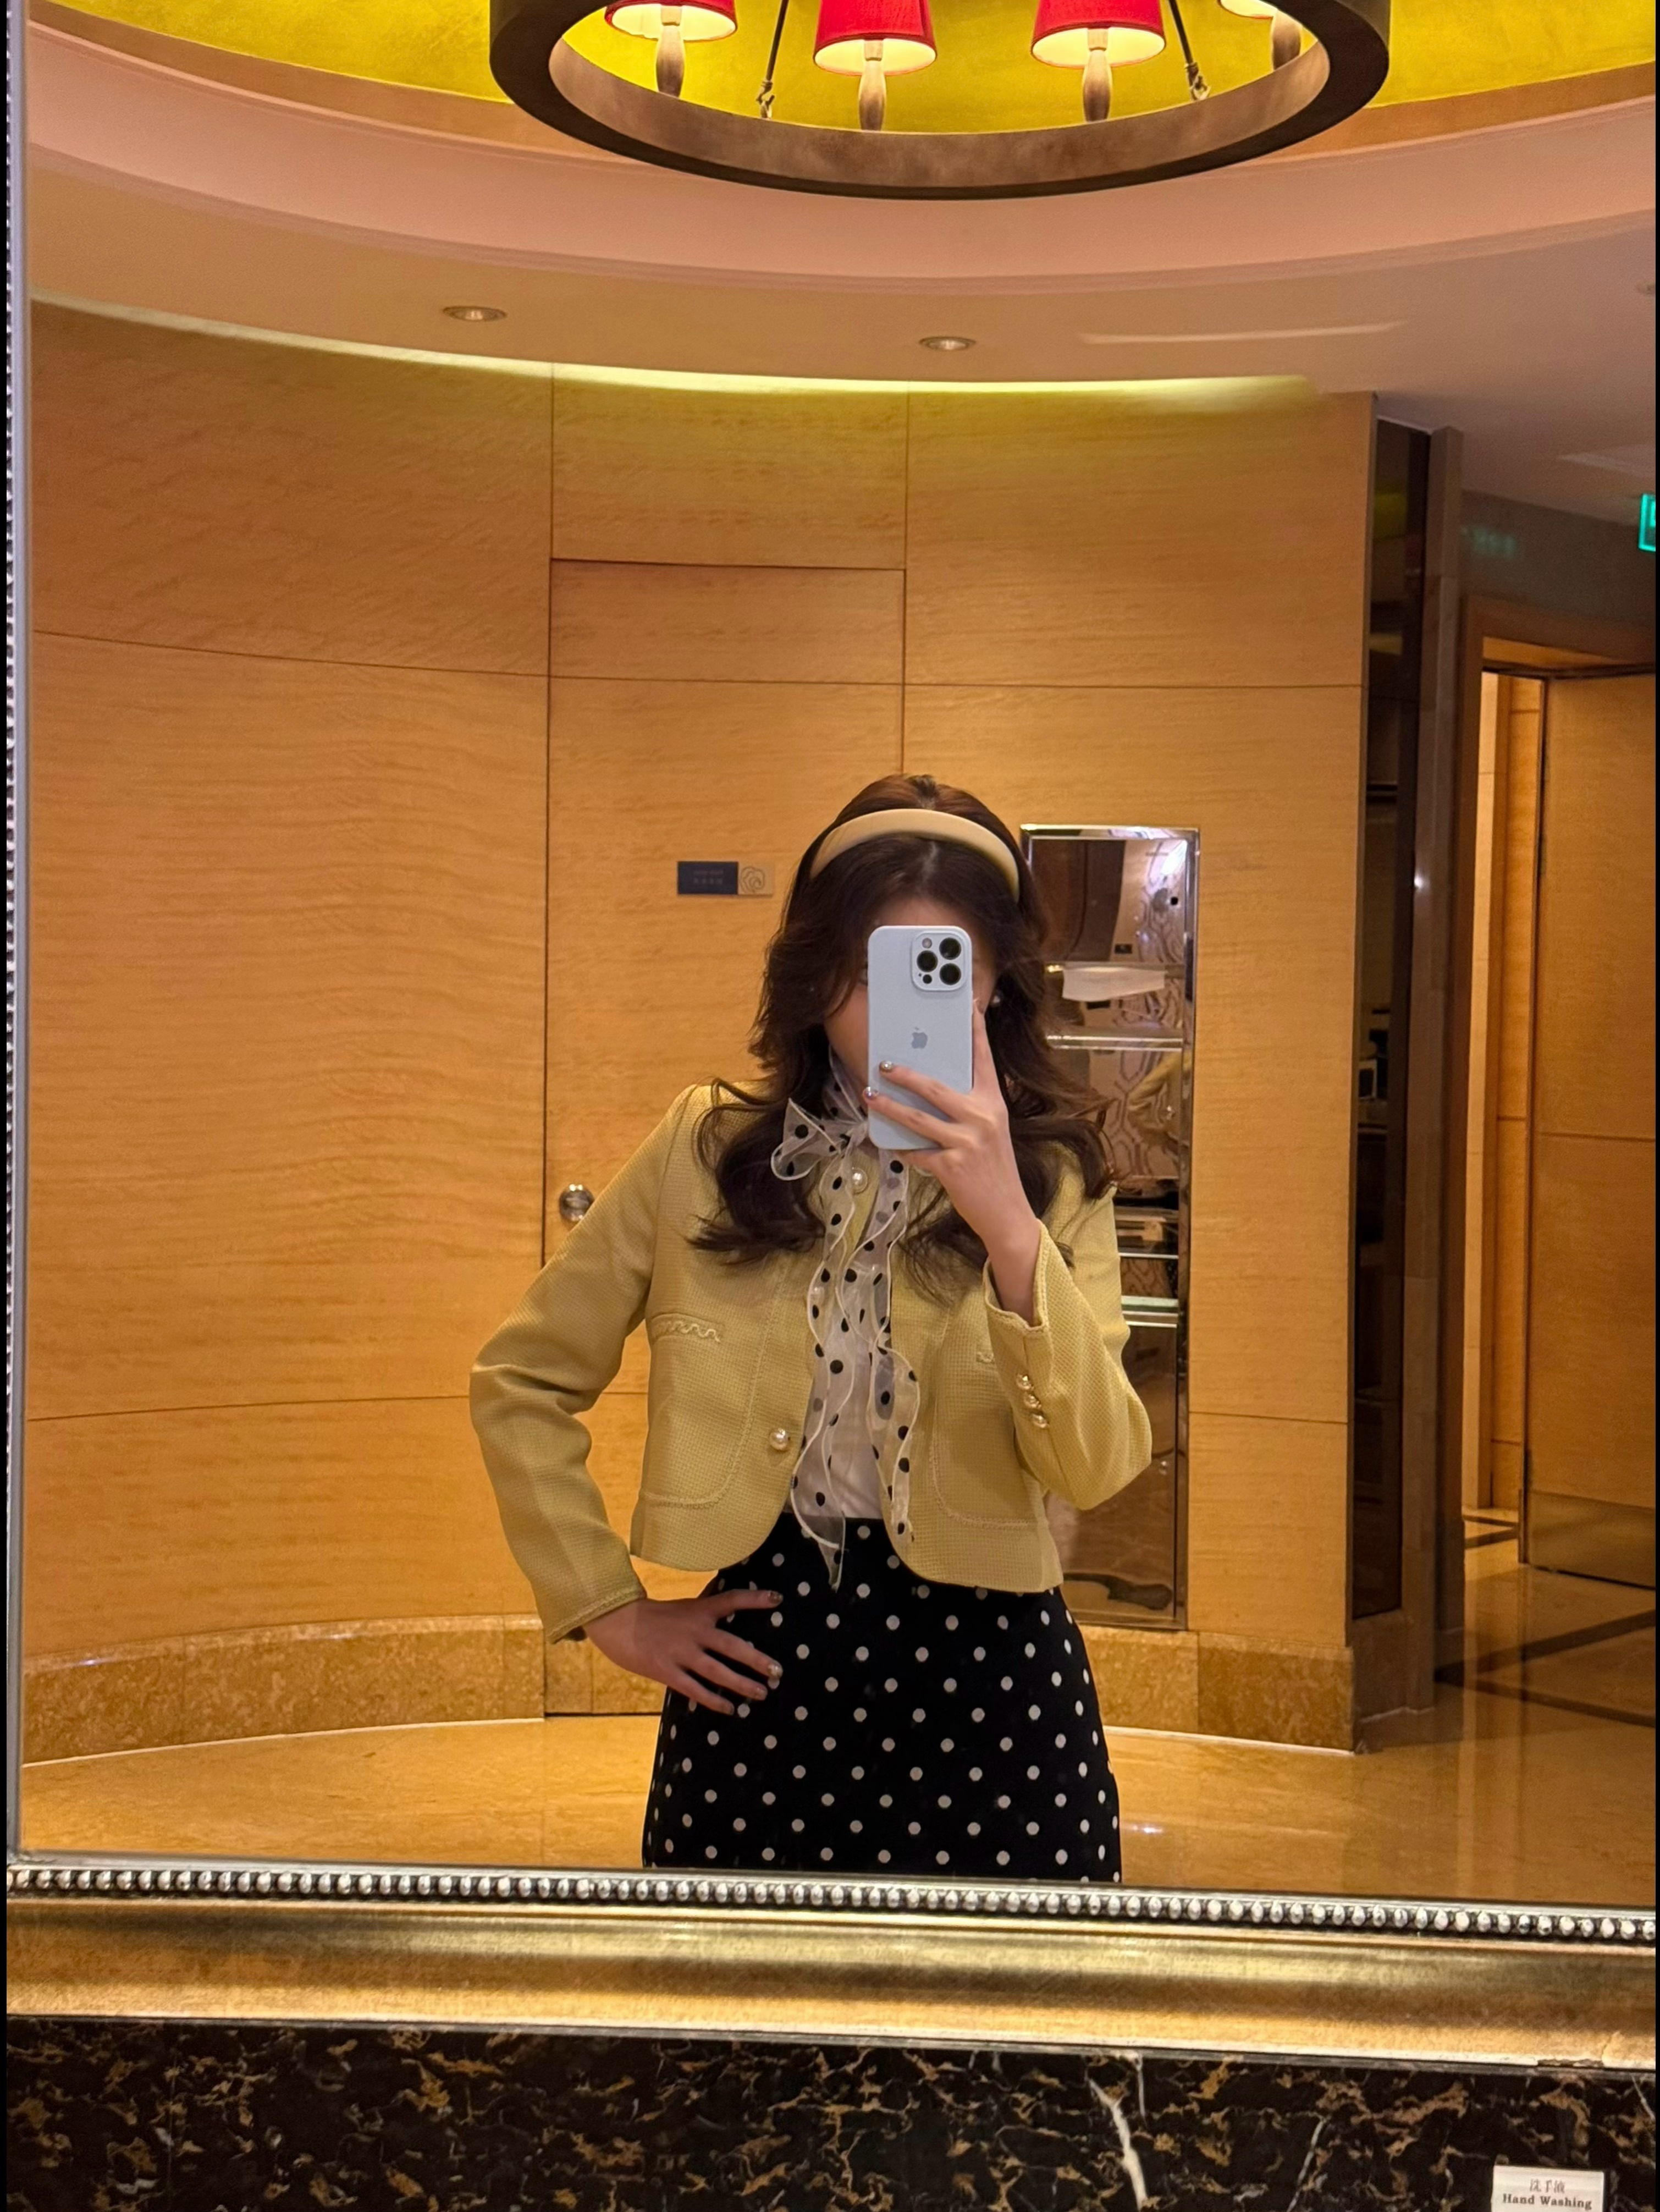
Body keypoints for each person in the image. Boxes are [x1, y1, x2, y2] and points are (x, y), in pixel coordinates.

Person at [471, 774, 1153, 1881]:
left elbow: (1097, 1465)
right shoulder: (707, 1150)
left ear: (992, 985)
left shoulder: (1056, 1175)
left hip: (997, 1693)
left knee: (1010, 2002)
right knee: (739, 1996)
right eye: (869, 970)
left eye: (942, 968)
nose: (895, 1010)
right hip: (757, 1676)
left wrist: (1008, 1229)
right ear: (814, 974)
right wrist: (607, 1608)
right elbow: (519, 1379)